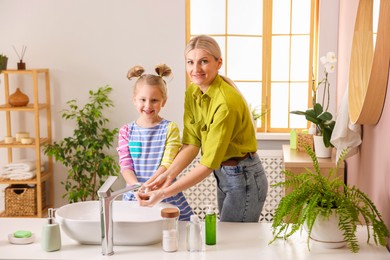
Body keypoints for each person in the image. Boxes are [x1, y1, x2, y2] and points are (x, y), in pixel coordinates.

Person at [138, 35, 268, 222]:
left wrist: (163, 193)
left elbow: (207, 164)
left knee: (235, 242)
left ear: (219, 62)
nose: (195, 69)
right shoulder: (193, 91)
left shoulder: (226, 104)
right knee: (228, 237)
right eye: (190, 62)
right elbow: (192, 143)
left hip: (244, 177)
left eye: (204, 61)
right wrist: (165, 176)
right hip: (225, 174)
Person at [116, 64, 193, 221]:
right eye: (143, 100)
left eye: (154, 100)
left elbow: (167, 163)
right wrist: (138, 186)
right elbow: (125, 166)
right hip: (135, 194)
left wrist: (149, 186)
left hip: (164, 195)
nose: (148, 105)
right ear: (134, 100)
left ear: (163, 101)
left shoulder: (170, 128)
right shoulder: (126, 131)